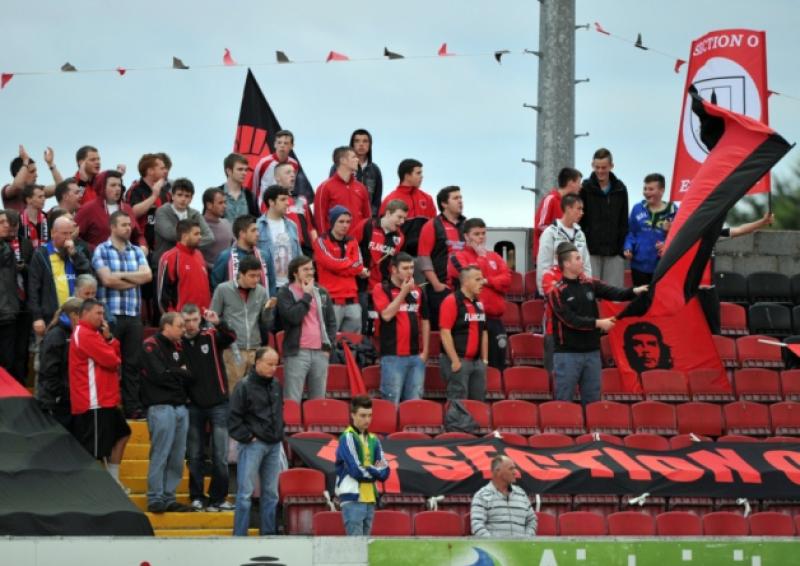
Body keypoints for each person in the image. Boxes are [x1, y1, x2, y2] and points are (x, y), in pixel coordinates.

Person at [548, 242, 647, 405]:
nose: (582, 261)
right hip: (567, 354)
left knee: (594, 403)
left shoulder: (589, 283)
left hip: (592, 353)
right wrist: (598, 323)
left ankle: (592, 432)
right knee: (563, 403)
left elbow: (613, 292)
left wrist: (634, 291)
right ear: (566, 264)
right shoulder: (557, 291)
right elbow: (570, 320)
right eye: (578, 258)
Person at [93, 210, 153, 419]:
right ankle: (107, 406)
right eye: (124, 224)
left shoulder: (136, 251)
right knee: (108, 362)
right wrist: (131, 279)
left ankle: (132, 407)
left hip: (133, 315)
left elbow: (147, 276)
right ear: (112, 227)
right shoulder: (101, 250)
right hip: (111, 316)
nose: (129, 228)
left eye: (130, 224)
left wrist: (120, 276)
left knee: (133, 363)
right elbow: (107, 281)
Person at [68, 299, 130, 488]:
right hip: (93, 402)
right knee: (93, 451)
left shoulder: (93, 334)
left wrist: (109, 339)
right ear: (85, 313)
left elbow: (113, 357)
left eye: (103, 313)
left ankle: (112, 481)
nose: (102, 318)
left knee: (123, 434)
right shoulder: (85, 333)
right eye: (98, 313)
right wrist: (110, 347)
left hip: (105, 400)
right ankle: (94, 489)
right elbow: (113, 361)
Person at [181, 304, 237, 512]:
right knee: (194, 454)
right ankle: (196, 496)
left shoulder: (212, 336)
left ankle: (218, 498)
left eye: (194, 319)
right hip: (193, 406)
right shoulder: (177, 344)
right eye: (186, 321)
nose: (191, 325)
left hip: (219, 404)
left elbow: (231, 336)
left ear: (200, 319)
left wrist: (219, 322)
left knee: (220, 455)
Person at [139, 312, 194, 513]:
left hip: (180, 407)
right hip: (160, 407)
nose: (184, 329)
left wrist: (174, 371)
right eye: (180, 325)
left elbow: (190, 375)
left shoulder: (179, 345)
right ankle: (155, 497)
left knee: (177, 456)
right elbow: (159, 375)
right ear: (166, 326)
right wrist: (179, 370)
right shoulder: (150, 345)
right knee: (161, 453)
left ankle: (169, 497)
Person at [228, 346, 285, 536]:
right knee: (245, 493)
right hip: (253, 444)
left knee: (271, 493)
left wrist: (279, 432)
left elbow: (279, 412)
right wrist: (248, 437)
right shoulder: (243, 386)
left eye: (275, 364)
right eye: (269, 364)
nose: (273, 368)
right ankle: (239, 536)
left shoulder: (276, 384)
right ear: (257, 362)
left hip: (273, 444)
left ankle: (268, 533)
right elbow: (233, 418)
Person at [448, 218, 511, 370]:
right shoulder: (457, 257)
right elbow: (470, 280)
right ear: (466, 237)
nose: (481, 237)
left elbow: (508, 280)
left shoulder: (495, 256)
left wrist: (487, 280)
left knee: (497, 367)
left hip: (494, 320)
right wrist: (482, 259)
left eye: (483, 233)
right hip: (470, 320)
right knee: (472, 366)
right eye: (476, 234)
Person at [698, 212, 774, 334]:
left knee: (713, 333)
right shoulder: (684, 239)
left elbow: (740, 230)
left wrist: (762, 222)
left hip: (709, 291)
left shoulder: (712, 235)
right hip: (690, 292)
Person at [276, 255, 337, 403]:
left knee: (318, 400)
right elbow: (293, 317)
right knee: (292, 399)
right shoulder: (285, 293)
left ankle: (315, 426)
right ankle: (291, 426)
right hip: (297, 352)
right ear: (295, 273)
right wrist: (307, 296)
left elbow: (331, 321)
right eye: (305, 269)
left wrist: (328, 347)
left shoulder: (322, 292)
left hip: (320, 352)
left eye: (311, 268)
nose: (310, 272)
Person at [211, 256, 276, 391]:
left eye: (258, 276)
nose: (256, 280)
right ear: (240, 274)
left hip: (255, 348)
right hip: (232, 349)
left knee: (255, 391)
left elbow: (266, 322)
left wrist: (269, 309)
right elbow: (212, 317)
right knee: (234, 390)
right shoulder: (223, 289)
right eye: (252, 276)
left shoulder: (261, 291)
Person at [373, 253, 429, 404]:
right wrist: (404, 292)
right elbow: (386, 315)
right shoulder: (381, 288)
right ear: (394, 270)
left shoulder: (418, 291)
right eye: (405, 268)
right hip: (392, 356)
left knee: (415, 404)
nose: (410, 272)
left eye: (411, 267)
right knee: (392, 403)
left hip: (416, 357)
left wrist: (425, 352)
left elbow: (425, 320)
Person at [28, 215, 92, 339]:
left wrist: (75, 255)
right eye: (64, 234)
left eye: (70, 233)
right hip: (51, 318)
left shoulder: (76, 252)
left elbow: (89, 277)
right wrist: (37, 317)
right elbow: (33, 288)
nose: (68, 238)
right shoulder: (41, 254)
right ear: (53, 233)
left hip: (77, 318)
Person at [334, 395, 390, 536]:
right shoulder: (347, 437)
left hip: (370, 498)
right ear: (353, 415)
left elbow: (386, 471)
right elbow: (355, 470)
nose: (367, 420)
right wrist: (374, 470)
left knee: (365, 548)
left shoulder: (374, 439)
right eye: (363, 415)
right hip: (352, 498)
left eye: (370, 415)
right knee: (356, 549)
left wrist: (369, 469)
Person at [356, 199, 407, 334]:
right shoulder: (367, 225)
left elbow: (393, 264)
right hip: (360, 285)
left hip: (381, 287)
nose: (402, 222)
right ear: (388, 213)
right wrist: (357, 268)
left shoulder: (400, 237)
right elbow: (350, 247)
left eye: (404, 218)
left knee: (380, 327)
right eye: (399, 217)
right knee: (362, 326)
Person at [579, 148, 629, 288]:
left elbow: (624, 220)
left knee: (613, 296)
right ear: (592, 165)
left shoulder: (620, 189)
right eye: (597, 167)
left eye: (604, 167)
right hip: (590, 252)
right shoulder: (585, 188)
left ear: (611, 166)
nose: (600, 171)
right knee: (590, 295)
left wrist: (620, 250)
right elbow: (580, 220)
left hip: (614, 253)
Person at [314, 206, 368, 332]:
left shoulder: (352, 241)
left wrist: (339, 267)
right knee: (330, 344)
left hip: (353, 301)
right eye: (341, 221)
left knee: (352, 345)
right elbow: (329, 263)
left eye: (348, 222)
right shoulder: (321, 241)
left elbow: (359, 265)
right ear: (332, 222)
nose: (345, 225)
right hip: (331, 301)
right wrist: (350, 264)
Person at [418, 186, 465, 330]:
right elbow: (423, 257)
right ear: (444, 203)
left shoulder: (467, 225)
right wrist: (436, 284)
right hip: (440, 289)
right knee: (441, 329)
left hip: (463, 289)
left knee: (461, 330)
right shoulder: (432, 225)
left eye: (461, 198)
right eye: (456, 198)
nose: (460, 201)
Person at [439, 265, 489, 401]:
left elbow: (484, 331)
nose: (482, 282)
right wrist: (455, 360)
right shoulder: (451, 301)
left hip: (476, 362)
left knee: (478, 401)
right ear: (465, 282)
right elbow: (445, 332)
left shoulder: (479, 303)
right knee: (458, 403)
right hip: (458, 360)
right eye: (477, 279)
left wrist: (484, 360)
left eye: (482, 279)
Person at [623, 173, 678, 286]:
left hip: (662, 265)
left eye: (651, 189)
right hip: (638, 265)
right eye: (645, 189)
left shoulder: (673, 211)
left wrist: (667, 240)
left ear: (661, 191)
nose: (646, 192)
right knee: (641, 300)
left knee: (659, 300)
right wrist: (628, 247)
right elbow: (631, 233)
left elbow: (680, 237)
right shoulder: (637, 208)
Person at [37, 297, 82, 429]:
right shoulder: (56, 335)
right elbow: (49, 371)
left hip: (69, 399)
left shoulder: (75, 334)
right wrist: (62, 394)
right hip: (58, 401)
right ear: (74, 316)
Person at [76, 170, 146, 252]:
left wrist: (143, 246)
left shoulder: (127, 208)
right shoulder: (88, 209)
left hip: (126, 260)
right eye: (113, 185)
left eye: (119, 185)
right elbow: (75, 237)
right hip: (97, 261)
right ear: (102, 187)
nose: (117, 189)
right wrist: (94, 250)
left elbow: (138, 235)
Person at [536, 194, 591, 295]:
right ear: (568, 208)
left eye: (582, 209)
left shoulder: (580, 233)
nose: (582, 213)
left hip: (578, 288)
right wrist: (543, 292)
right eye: (578, 209)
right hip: (556, 288)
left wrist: (588, 288)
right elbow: (543, 264)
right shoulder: (550, 232)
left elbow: (586, 264)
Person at [379, 159, 435, 256]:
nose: (422, 176)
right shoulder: (390, 199)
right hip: (399, 257)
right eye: (418, 173)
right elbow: (381, 231)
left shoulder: (427, 198)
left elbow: (434, 228)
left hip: (424, 256)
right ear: (407, 176)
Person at [1, 210, 33, 383]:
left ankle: (19, 390)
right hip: (6, 306)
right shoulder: (4, 247)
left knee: (20, 352)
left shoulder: (25, 244)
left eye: (13, 223)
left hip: (21, 304)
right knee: (7, 356)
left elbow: (34, 272)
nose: (9, 227)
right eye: (4, 223)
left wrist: (24, 267)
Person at [471, 455, 537, 537]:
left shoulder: (521, 494)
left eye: (514, 468)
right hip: (495, 549)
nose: (515, 472)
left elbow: (531, 520)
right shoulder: (481, 496)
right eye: (511, 468)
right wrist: (496, 545)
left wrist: (526, 540)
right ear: (497, 471)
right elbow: (477, 525)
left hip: (521, 548)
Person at [153, 178, 214, 266]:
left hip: (188, 262)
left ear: (191, 198)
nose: (183, 199)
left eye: (187, 196)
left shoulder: (195, 214)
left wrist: (189, 242)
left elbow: (209, 237)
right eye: (180, 195)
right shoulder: (162, 211)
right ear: (172, 196)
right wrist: (193, 241)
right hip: (165, 263)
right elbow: (171, 235)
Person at [157, 218, 211, 313]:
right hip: (182, 320)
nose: (200, 237)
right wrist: (174, 319)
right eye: (196, 234)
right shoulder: (170, 257)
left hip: (203, 318)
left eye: (200, 233)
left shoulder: (199, 254)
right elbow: (162, 295)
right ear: (185, 236)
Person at [315, 146, 371, 236]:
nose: (357, 160)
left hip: (359, 244)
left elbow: (368, 218)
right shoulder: (324, 187)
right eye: (354, 157)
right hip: (334, 244)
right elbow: (319, 218)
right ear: (343, 160)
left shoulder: (361, 188)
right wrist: (326, 241)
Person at [257, 185, 301, 295]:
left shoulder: (292, 226)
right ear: (271, 202)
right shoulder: (258, 226)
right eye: (282, 199)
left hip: (292, 285)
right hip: (269, 287)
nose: (287, 203)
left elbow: (299, 255)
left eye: (287, 199)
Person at [330, 129, 383, 217]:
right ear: (352, 144)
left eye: (365, 141)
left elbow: (377, 200)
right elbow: (331, 191)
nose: (361, 144)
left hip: (367, 220)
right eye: (357, 141)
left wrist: (372, 219)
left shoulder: (375, 170)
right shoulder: (339, 167)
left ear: (370, 145)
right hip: (343, 218)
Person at [533, 167, 583, 260]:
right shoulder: (550, 199)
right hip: (547, 257)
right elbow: (540, 226)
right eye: (579, 183)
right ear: (570, 183)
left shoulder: (570, 204)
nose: (581, 186)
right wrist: (562, 234)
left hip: (564, 259)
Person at [125, 153, 170, 254]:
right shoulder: (135, 190)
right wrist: (154, 196)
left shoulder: (166, 194)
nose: (165, 171)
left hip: (162, 249)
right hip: (141, 249)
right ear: (150, 171)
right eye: (162, 168)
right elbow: (132, 212)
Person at [251, 129, 305, 208]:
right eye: (279, 142)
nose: (282, 145)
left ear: (292, 146)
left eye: (286, 143)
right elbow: (254, 185)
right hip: (265, 205)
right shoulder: (264, 163)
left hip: (284, 205)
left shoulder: (294, 164)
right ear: (275, 144)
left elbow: (291, 186)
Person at [212, 215, 266, 289]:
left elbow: (271, 285)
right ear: (242, 234)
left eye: (257, 230)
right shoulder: (225, 257)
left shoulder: (264, 256)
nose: (257, 234)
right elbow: (215, 286)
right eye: (253, 230)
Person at [3, 145, 62, 212]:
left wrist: (51, 164)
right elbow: (17, 185)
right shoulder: (7, 190)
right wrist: (25, 161)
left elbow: (61, 188)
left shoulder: (36, 189)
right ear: (19, 173)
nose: (36, 175)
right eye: (32, 172)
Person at [274, 162, 316, 258]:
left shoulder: (301, 199)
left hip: (307, 251)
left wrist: (316, 249)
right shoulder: (272, 200)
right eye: (288, 172)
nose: (292, 175)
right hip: (286, 251)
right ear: (277, 178)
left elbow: (311, 228)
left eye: (293, 172)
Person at [0, 209, 21, 376]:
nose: (6, 225)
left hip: (9, 313)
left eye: (7, 222)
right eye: (1, 223)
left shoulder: (7, 249)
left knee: (9, 364)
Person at [200, 187, 235, 270]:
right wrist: (215, 268)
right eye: (220, 203)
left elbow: (235, 247)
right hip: (208, 276)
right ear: (209, 205)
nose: (225, 206)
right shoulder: (197, 226)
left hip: (228, 275)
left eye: (225, 202)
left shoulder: (227, 223)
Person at [220, 153, 259, 222]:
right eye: (240, 169)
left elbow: (257, 222)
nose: (244, 173)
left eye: (246, 170)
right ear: (228, 171)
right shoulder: (216, 193)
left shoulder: (250, 196)